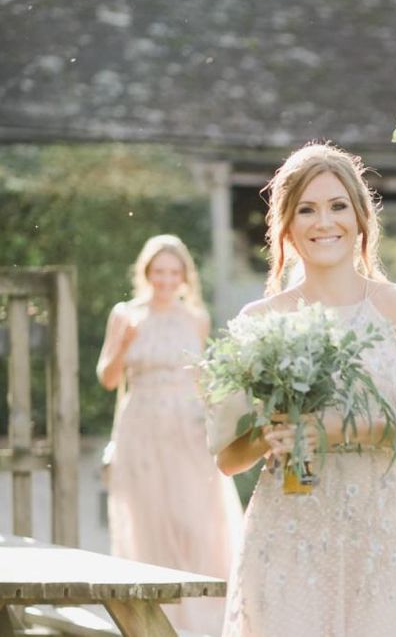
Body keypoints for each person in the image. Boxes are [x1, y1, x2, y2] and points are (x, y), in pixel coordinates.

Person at [206, 143, 396, 637]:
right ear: (286, 224)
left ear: (362, 217)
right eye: (307, 209)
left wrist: (343, 428)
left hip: (378, 535)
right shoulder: (259, 321)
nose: (324, 222)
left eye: (337, 206)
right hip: (289, 535)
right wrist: (270, 433)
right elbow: (229, 458)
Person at [97, 234, 243, 636]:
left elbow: (202, 380)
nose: (164, 280)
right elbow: (108, 379)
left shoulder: (195, 318)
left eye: (172, 272)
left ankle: (200, 615)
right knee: (147, 518)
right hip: (140, 428)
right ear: (146, 274)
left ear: (184, 276)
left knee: (194, 517)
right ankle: (149, 615)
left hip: (187, 428)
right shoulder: (125, 314)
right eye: (157, 271)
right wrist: (124, 345)